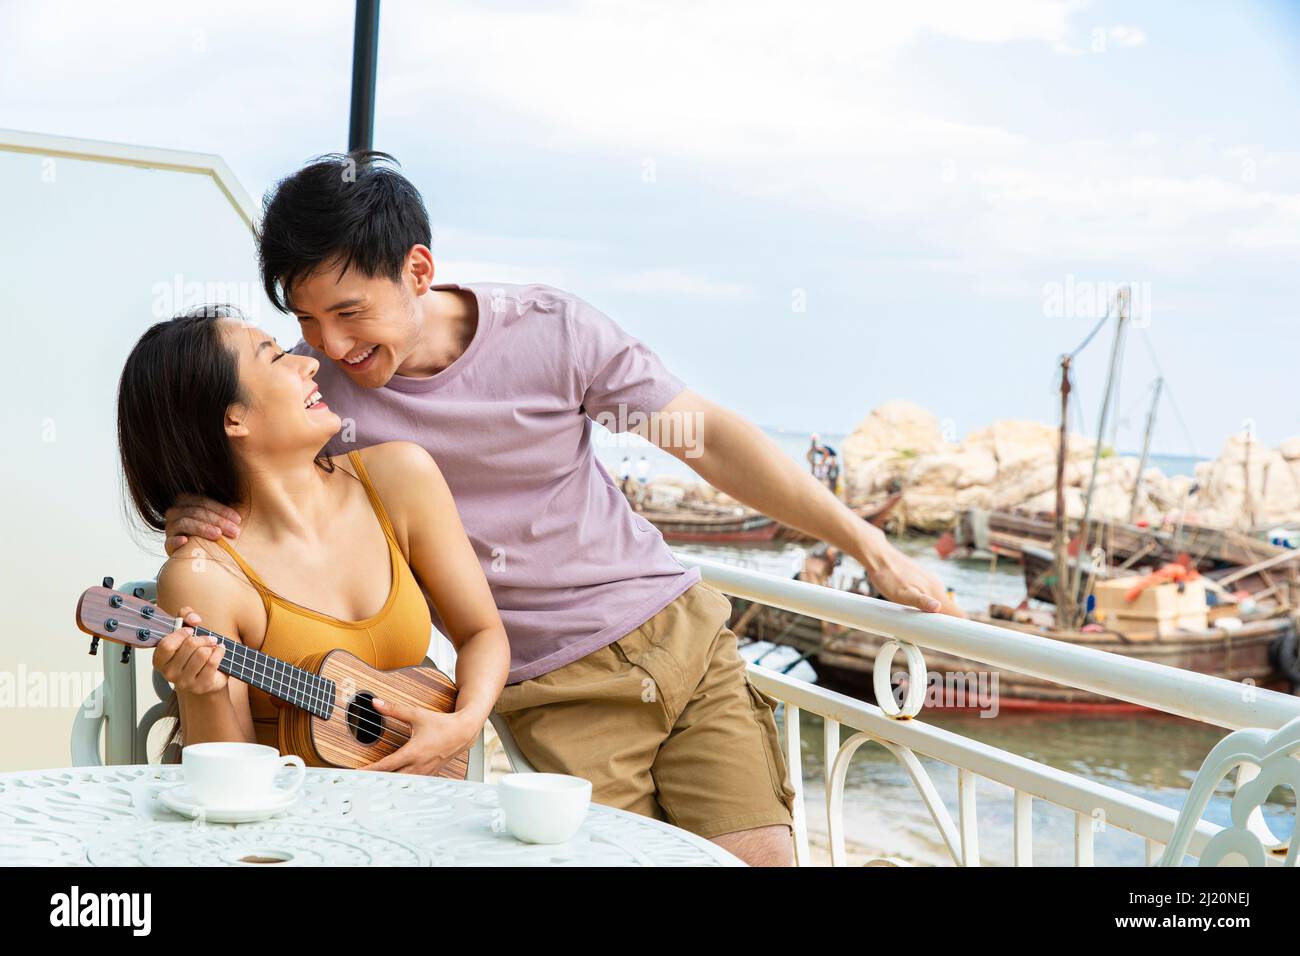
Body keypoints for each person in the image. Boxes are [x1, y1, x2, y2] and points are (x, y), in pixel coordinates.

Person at [164, 152, 958, 866]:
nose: (331, 346)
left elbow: (705, 439)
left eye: (349, 312)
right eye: (306, 320)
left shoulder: (551, 331)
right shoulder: (310, 394)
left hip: (681, 630)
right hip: (555, 690)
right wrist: (192, 511)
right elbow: (240, 467)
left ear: (416, 270)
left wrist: (866, 544)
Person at [118, 306, 510, 775]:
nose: (310, 363)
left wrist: (464, 725)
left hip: (418, 811)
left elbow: (483, 633)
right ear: (233, 418)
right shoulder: (204, 575)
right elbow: (231, 788)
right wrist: (203, 691)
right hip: (287, 834)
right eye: (277, 357)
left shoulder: (402, 478)